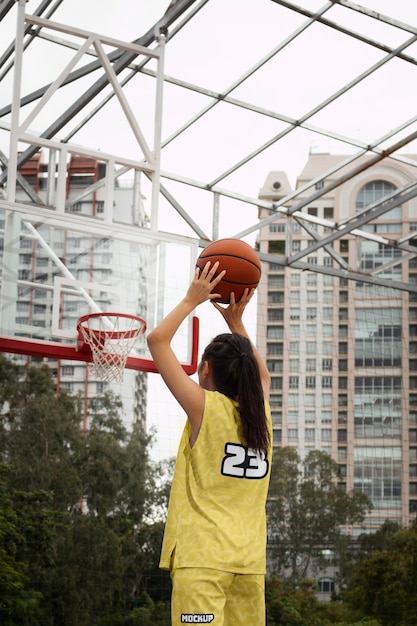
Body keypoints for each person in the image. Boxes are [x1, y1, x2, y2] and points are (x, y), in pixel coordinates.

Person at [147, 260, 272, 626]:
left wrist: (193, 299)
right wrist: (236, 322)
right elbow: (263, 375)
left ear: (205, 370)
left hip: (203, 561)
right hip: (249, 565)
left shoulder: (203, 407)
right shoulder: (262, 415)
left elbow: (157, 341)